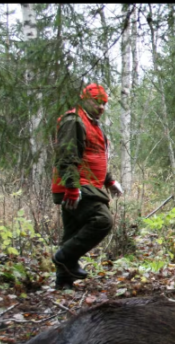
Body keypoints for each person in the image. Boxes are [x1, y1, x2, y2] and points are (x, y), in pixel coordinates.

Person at [51, 83, 123, 290]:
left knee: (72, 233)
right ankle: (62, 257)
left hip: (86, 185)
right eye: (96, 102)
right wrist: (72, 188)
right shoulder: (73, 120)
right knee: (102, 220)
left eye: (104, 103)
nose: (101, 107)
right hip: (79, 186)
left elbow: (93, 156)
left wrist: (109, 180)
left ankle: (63, 284)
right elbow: (67, 156)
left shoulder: (92, 124)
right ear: (84, 99)